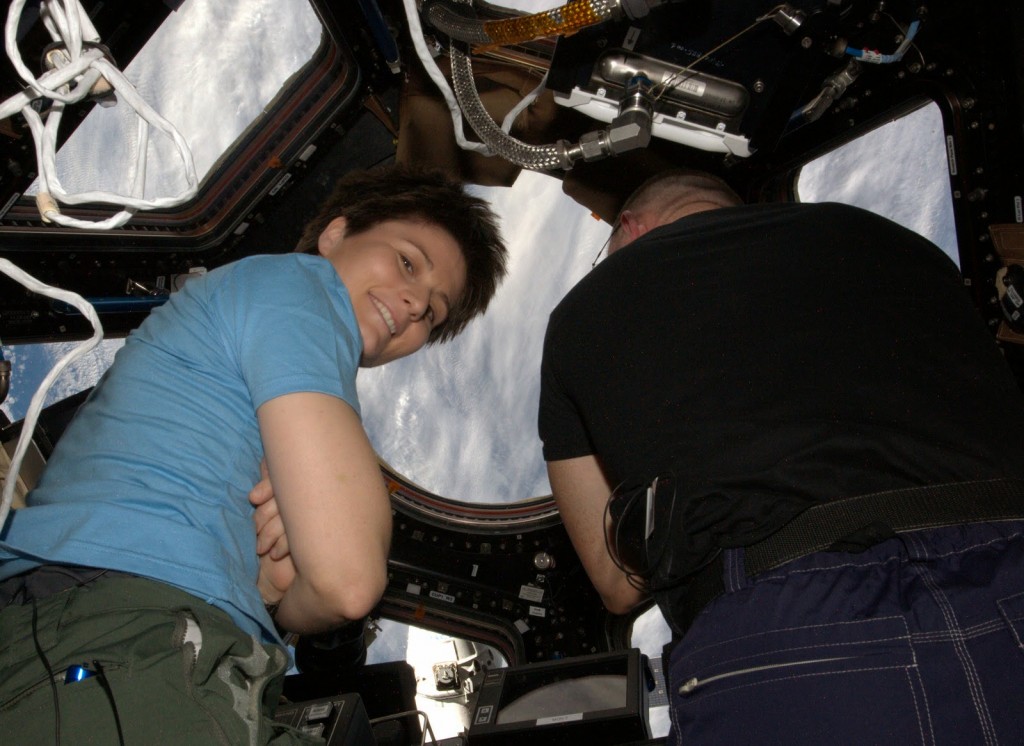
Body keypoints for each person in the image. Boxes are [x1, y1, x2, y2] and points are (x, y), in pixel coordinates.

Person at [0, 165, 507, 744]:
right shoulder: (301, 291)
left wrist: (269, 588)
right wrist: (300, 593)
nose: (416, 303)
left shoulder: (275, 380)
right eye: (408, 262)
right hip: (127, 629)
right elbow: (348, 582)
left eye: (434, 313)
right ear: (336, 235)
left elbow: (312, 578)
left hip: (132, 633)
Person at [538, 170, 1024, 744]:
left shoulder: (584, 311)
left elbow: (616, 582)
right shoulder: (891, 241)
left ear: (631, 227)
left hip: (796, 620)